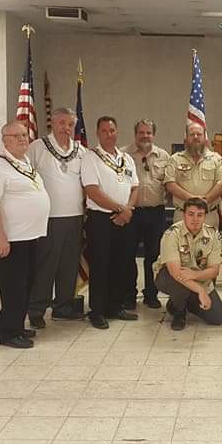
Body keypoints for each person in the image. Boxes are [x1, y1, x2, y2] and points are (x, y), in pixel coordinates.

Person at [0, 121, 51, 348]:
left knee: (26, 285)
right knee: (13, 286)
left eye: (25, 134)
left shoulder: (25, 162)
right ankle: (8, 333)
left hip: (29, 237)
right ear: (5, 140)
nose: (23, 139)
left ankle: (17, 325)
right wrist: (0, 237)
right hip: (9, 239)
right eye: (16, 136)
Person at [25, 108, 86, 329]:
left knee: (69, 266)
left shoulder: (81, 150)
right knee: (45, 266)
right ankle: (36, 309)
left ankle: (63, 307)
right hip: (48, 218)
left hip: (75, 216)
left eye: (70, 124)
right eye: (61, 123)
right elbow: (25, 176)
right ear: (53, 123)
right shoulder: (37, 148)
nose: (66, 128)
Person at [81, 116, 140, 330]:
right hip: (101, 220)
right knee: (100, 266)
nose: (109, 134)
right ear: (98, 133)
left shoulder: (126, 158)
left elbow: (135, 188)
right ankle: (96, 311)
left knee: (121, 264)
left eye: (112, 130)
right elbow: (92, 191)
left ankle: (114, 307)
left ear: (117, 132)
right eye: (104, 130)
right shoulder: (90, 158)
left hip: (125, 219)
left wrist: (128, 210)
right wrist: (120, 209)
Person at [154, 198, 222, 330]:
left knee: (217, 318)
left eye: (200, 215)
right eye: (191, 214)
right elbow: (175, 272)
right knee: (178, 282)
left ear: (205, 216)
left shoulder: (213, 235)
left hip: (198, 278)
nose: (195, 219)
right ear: (184, 215)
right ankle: (179, 312)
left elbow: (214, 270)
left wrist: (194, 275)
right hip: (169, 277)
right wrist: (200, 291)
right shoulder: (171, 234)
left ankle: (181, 302)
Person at [122, 119, 170, 310]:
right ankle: (128, 295)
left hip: (155, 212)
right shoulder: (123, 154)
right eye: (141, 132)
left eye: (148, 132)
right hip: (131, 212)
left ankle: (151, 294)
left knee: (154, 256)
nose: (145, 136)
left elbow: (170, 183)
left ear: (153, 135)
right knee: (128, 255)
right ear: (135, 134)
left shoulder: (163, 156)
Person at [164, 122, 222, 228]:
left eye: (199, 134)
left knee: (209, 244)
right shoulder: (175, 159)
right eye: (192, 134)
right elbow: (170, 184)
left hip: (208, 216)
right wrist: (192, 200)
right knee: (181, 244)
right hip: (183, 216)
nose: (195, 137)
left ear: (205, 138)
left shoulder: (216, 159)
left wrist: (205, 200)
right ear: (186, 138)